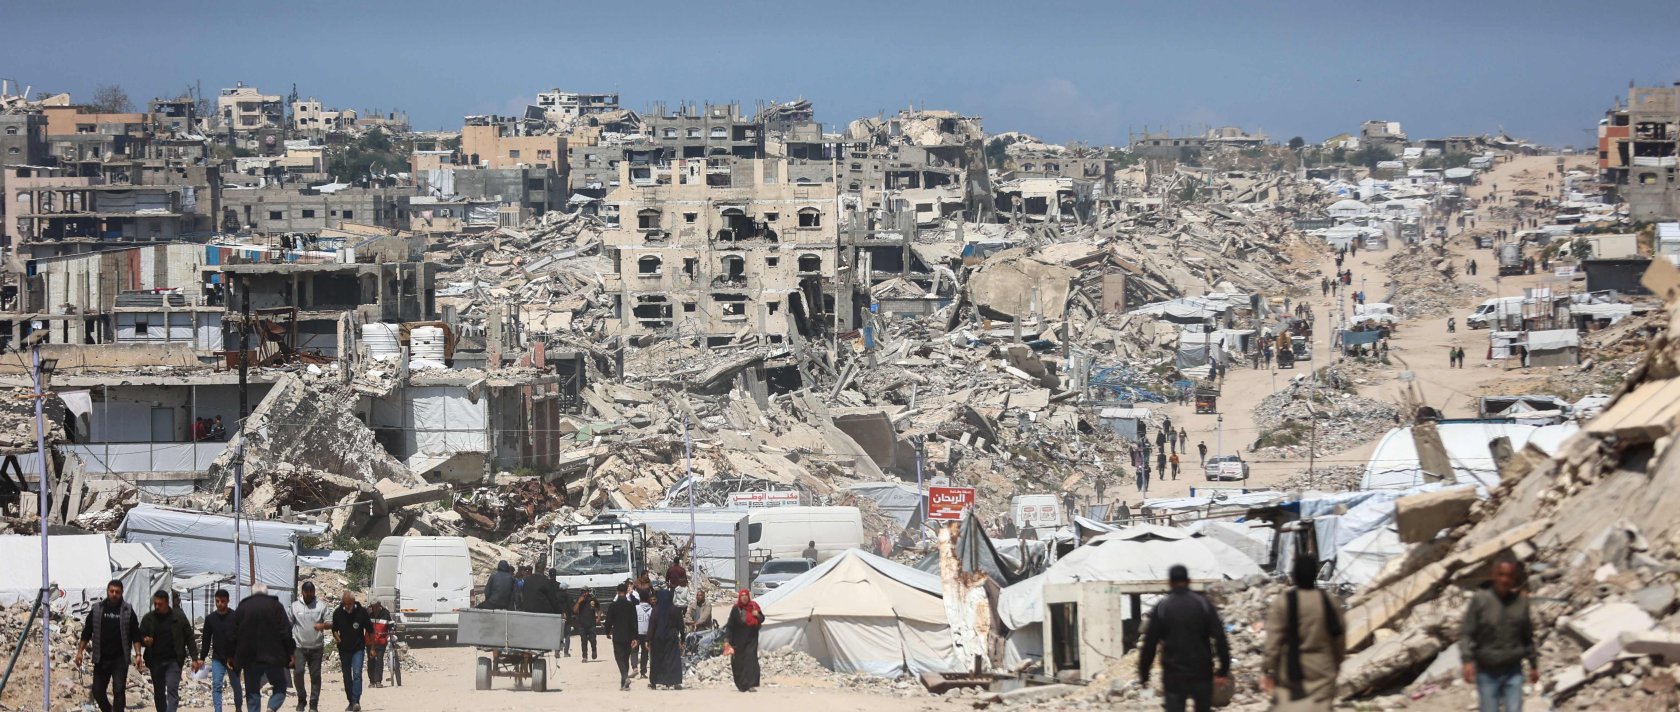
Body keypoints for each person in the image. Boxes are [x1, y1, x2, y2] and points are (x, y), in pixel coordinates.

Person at [1138, 565, 1231, 712]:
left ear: (1169, 582)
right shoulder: (1203, 604)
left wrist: (1144, 675)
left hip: (1173, 674)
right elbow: (1220, 637)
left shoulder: (1162, 607)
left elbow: (1150, 644)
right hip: (1202, 672)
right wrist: (1223, 670)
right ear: (1189, 581)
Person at [1262, 556, 1346, 711]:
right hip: (1322, 668)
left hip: (1292, 671)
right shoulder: (1329, 601)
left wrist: (1268, 669)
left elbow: (1273, 643)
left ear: (1294, 576)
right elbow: (1339, 638)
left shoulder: (1283, 602)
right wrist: (1337, 663)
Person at [1460, 558, 1538, 712]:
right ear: (1493, 575)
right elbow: (1467, 633)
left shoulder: (1520, 603)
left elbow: (1527, 635)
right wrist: (1467, 661)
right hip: (1487, 671)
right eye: (1501, 575)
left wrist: (1534, 665)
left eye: (1509, 576)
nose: (1504, 580)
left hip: (1513, 669)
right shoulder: (1480, 600)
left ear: (1514, 578)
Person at [76, 580, 142, 712]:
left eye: (117, 592)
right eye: (111, 591)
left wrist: (138, 654)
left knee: (119, 690)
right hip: (101, 658)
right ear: (107, 591)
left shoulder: (127, 610)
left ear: (122, 593)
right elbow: (87, 631)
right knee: (97, 690)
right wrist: (80, 651)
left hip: (120, 658)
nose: (114, 594)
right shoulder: (97, 609)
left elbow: (135, 634)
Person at [233, 583, 295, 712]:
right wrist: (290, 652)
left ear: (252, 593)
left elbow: (233, 634)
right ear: (266, 593)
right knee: (280, 685)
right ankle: (272, 707)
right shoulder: (276, 606)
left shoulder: (243, 607)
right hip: (273, 656)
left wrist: (233, 656)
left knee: (252, 690)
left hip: (249, 658)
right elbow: (285, 632)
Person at [140, 590, 201, 712]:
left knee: (172, 690)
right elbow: (139, 637)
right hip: (155, 661)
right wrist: (145, 641)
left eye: (160, 604)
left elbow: (189, 637)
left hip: (173, 661)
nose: (157, 607)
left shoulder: (178, 618)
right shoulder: (149, 619)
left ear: (167, 603)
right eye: (155, 604)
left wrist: (195, 658)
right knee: (159, 692)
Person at [290, 582, 330, 712]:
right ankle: (301, 700)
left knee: (315, 675)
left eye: (311, 592)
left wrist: (323, 626)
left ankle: (313, 704)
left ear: (314, 592)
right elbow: (288, 624)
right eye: (306, 592)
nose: (309, 594)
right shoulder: (295, 606)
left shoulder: (321, 606)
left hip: (316, 647)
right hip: (299, 646)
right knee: (298, 673)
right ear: (302, 592)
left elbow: (330, 623)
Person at [202, 589, 243, 712]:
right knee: (216, 685)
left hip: (234, 659)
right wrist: (201, 658)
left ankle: (238, 708)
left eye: (222, 601)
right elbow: (206, 640)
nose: (219, 604)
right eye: (217, 601)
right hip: (217, 658)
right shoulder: (210, 619)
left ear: (228, 601)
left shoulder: (235, 617)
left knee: (236, 685)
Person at [331, 591, 373, 712]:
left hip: (358, 649)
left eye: (349, 604)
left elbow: (370, 630)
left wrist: (372, 648)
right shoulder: (338, 613)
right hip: (344, 650)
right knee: (346, 676)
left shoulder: (362, 612)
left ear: (353, 602)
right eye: (345, 604)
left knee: (357, 673)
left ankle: (356, 701)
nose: (347, 606)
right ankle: (350, 701)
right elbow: (334, 630)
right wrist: (338, 640)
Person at [725, 590, 763, 692]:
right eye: (742, 596)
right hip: (738, 639)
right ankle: (742, 684)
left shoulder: (754, 606)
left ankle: (751, 684)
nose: (744, 597)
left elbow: (762, 618)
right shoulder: (735, 609)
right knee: (738, 661)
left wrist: (757, 615)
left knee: (750, 660)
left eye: (746, 595)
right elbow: (730, 626)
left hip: (751, 638)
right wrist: (727, 640)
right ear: (739, 597)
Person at [648, 590, 684, 689]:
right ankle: (674, 681)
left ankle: (655, 681)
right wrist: (683, 639)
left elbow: (652, 625)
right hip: (671, 637)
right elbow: (681, 626)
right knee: (672, 659)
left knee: (657, 659)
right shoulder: (675, 610)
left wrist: (648, 639)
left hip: (657, 637)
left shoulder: (656, 610)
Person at [604, 584, 637, 690]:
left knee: (619, 657)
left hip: (618, 635)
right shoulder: (631, 605)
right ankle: (624, 684)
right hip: (628, 635)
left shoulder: (613, 605)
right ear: (626, 592)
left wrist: (607, 632)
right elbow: (634, 622)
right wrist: (635, 637)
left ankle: (625, 677)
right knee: (626, 658)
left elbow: (608, 621)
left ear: (617, 592)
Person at [365, 599, 392, 689]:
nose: (374, 608)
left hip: (381, 641)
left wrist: (391, 634)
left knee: (379, 660)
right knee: (371, 661)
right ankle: (371, 681)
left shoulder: (385, 613)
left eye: (375, 606)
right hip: (369, 641)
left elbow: (390, 625)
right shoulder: (368, 613)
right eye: (372, 607)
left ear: (379, 605)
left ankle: (378, 681)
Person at [633, 582, 654, 678]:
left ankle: (634, 667)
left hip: (637, 633)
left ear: (640, 598)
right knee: (645, 653)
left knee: (634, 650)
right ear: (648, 599)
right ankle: (643, 672)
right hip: (647, 634)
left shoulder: (636, 608)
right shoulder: (652, 609)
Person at [573, 588, 600, 661]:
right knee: (584, 641)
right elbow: (575, 611)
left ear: (588, 592)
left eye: (585, 592)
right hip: (582, 624)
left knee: (593, 640)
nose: (584, 594)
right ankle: (584, 656)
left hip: (591, 623)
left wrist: (598, 617)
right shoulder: (579, 600)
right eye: (583, 592)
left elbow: (598, 609)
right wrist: (578, 602)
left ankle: (594, 650)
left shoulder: (592, 600)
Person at [553, 576, 574, 658]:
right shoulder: (568, 596)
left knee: (558, 635)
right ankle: (566, 652)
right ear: (565, 589)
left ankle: (557, 652)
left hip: (558, 617)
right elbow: (571, 606)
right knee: (567, 635)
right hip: (567, 617)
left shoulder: (555, 596)